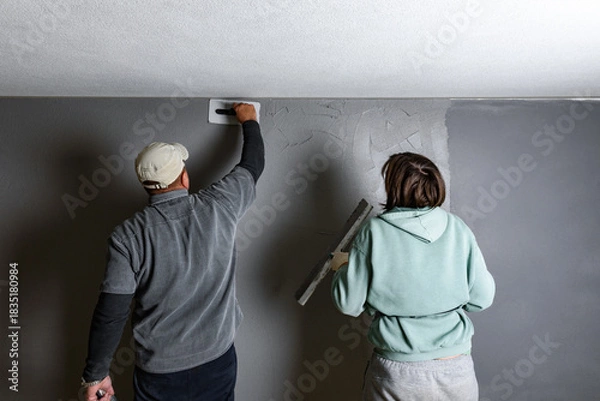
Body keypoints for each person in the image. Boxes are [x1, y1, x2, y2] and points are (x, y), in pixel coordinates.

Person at [81, 103, 264, 401]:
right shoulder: (220, 205)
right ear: (184, 177)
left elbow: (111, 312)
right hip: (216, 361)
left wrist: (94, 375)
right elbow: (253, 164)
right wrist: (249, 119)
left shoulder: (127, 236)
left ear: (146, 185)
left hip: (159, 374)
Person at [330, 152, 495, 401]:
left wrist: (343, 267)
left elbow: (348, 303)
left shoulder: (374, 232)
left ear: (393, 186)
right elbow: (482, 299)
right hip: (456, 371)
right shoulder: (458, 228)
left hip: (399, 376)